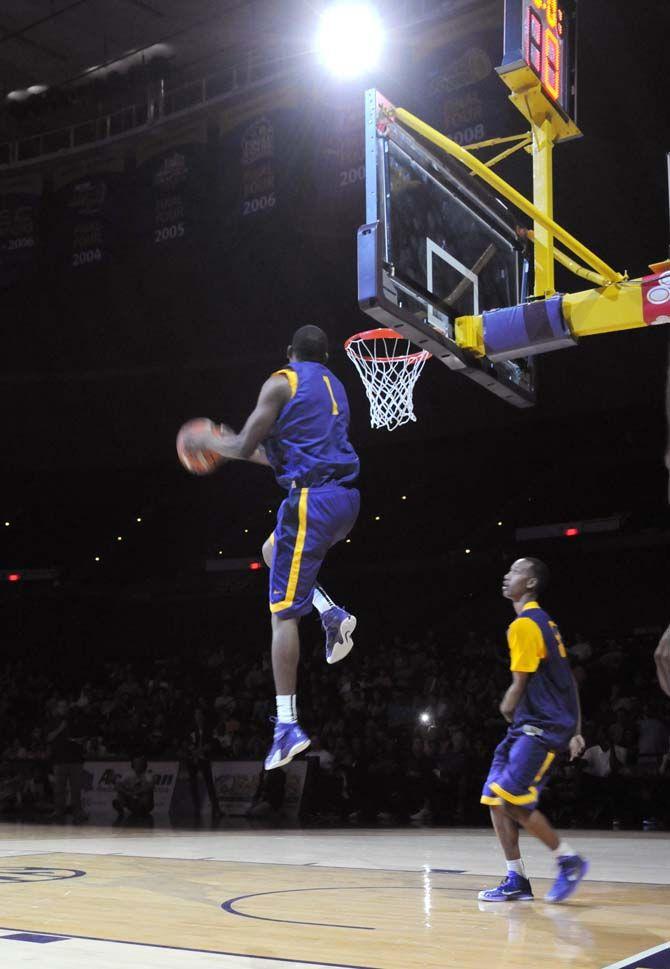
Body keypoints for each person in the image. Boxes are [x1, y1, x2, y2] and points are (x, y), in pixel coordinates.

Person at [183, 324, 360, 770]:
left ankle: (287, 726)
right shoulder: (333, 386)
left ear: (289, 353)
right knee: (270, 552)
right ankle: (331, 613)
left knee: (281, 617)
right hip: (345, 502)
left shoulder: (283, 381)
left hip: (310, 503)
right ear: (325, 356)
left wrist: (213, 441)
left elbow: (245, 444)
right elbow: (279, 455)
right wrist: (230, 443)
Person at [478, 558, 588, 904]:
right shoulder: (543, 622)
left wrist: (506, 706)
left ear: (529, 584)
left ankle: (568, 860)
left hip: (540, 725)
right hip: (534, 722)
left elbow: (518, 685)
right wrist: (577, 728)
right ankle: (517, 879)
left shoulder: (526, 624)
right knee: (496, 797)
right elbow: (566, 679)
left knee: (512, 796)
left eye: (515, 571)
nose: (506, 575)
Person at [184, 708, 223, 819]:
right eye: (196, 715)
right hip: (193, 759)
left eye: (200, 714)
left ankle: (216, 808)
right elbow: (187, 742)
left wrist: (208, 747)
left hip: (204, 758)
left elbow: (215, 741)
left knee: (209, 783)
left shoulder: (209, 729)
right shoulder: (191, 728)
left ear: (203, 716)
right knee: (193, 784)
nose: (198, 717)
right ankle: (196, 808)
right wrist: (194, 751)